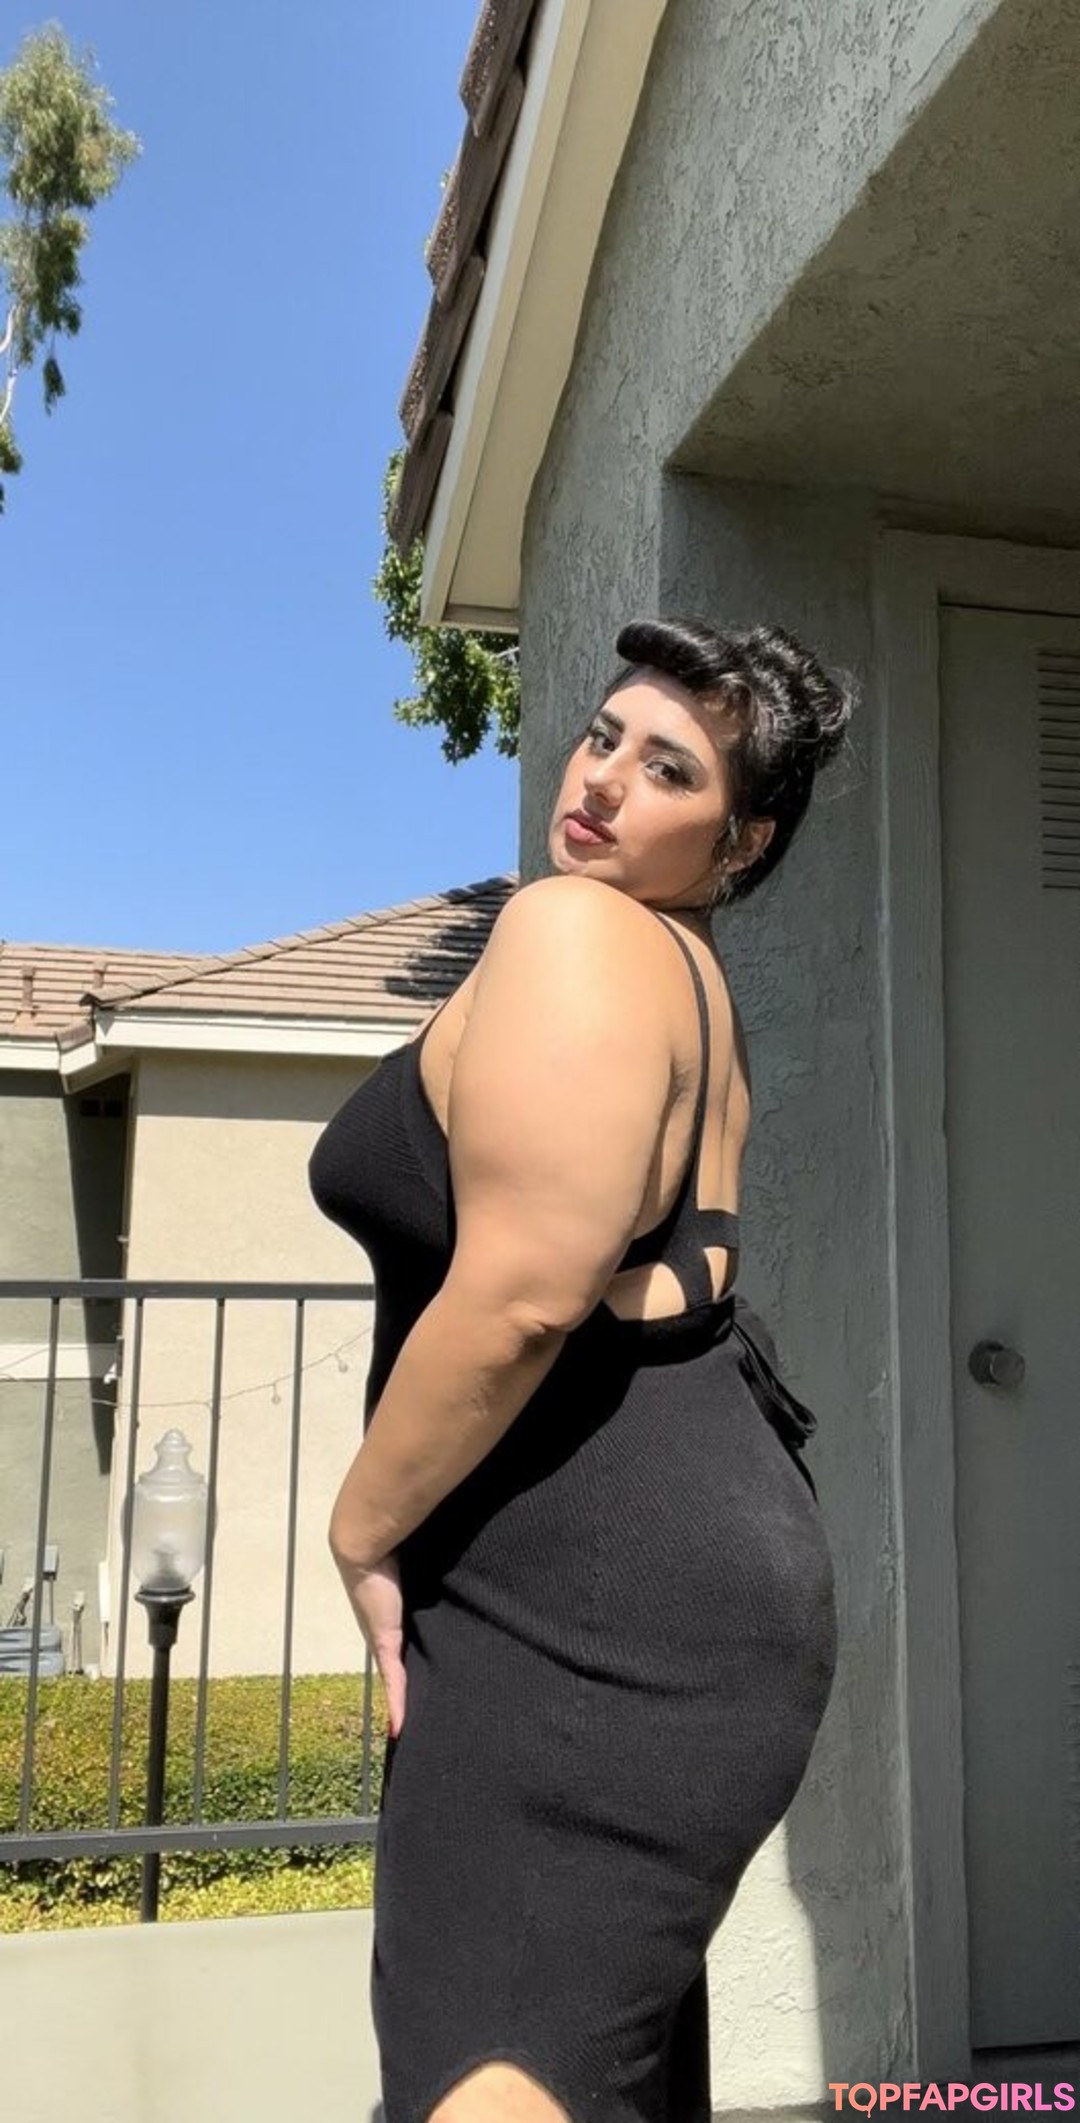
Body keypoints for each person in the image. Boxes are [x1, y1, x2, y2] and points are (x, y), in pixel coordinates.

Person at [307, 615, 854, 2123]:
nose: (603, 778)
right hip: (639, 1585)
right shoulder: (683, 978)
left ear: (741, 843)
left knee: (489, 2074)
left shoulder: (577, 933)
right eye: (604, 735)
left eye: (669, 768)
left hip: (596, 1609)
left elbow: (524, 1296)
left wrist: (361, 1527)